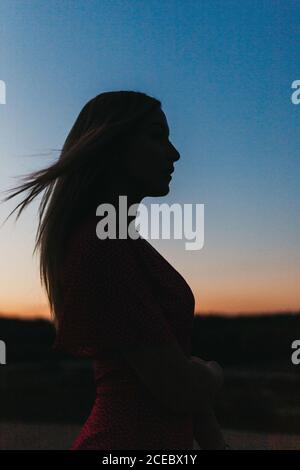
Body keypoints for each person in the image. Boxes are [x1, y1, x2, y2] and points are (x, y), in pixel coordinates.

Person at [1, 90, 226, 450]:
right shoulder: (102, 246)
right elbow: (179, 388)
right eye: (156, 136)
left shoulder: (120, 242)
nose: (175, 153)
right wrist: (214, 374)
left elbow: (177, 379)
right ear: (110, 145)